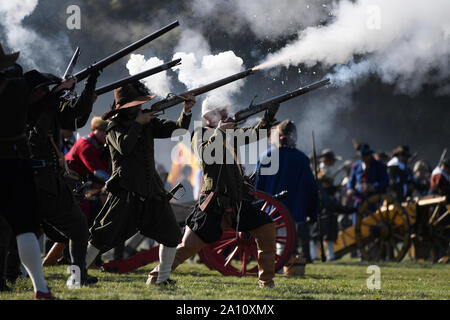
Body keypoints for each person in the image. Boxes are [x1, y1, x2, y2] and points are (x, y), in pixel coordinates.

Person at [146, 98, 280, 288]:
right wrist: (220, 133)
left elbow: (254, 134)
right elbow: (206, 156)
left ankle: (266, 283)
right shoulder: (199, 133)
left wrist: (268, 117)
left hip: (237, 200)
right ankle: (155, 278)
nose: (226, 114)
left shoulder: (230, 133)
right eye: (221, 111)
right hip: (213, 201)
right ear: (209, 116)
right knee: (187, 247)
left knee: (266, 228)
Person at [85, 82, 195, 286]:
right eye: (135, 104)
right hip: (125, 191)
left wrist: (186, 110)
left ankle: (160, 280)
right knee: (101, 235)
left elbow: (178, 131)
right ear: (124, 107)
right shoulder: (114, 127)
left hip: (151, 191)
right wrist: (138, 123)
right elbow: (125, 147)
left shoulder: (146, 121)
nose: (139, 106)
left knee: (171, 235)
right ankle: (77, 275)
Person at [24, 68, 100, 287]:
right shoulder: (24, 112)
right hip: (32, 182)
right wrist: (55, 96)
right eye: (41, 90)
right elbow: (37, 136)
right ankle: (8, 275)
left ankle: (78, 277)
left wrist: (90, 84)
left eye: (47, 89)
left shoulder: (48, 108)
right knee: (17, 235)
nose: (45, 93)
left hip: (50, 181)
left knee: (77, 227)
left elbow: (78, 116)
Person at [0, 44, 56, 299]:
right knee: (24, 229)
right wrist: (57, 93)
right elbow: (38, 101)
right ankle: (40, 289)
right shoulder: (16, 87)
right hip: (13, 159)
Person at [253, 120, 319, 263]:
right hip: (292, 208)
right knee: (285, 238)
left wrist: (255, 206)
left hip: (267, 208)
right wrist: (312, 212)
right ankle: (279, 262)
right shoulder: (301, 158)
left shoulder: (266, 156)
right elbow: (310, 188)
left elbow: (257, 185)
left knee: (269, 238)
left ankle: (276, 262)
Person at [346, 143, 389, 223]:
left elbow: (385, 182)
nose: (364, 157)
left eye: (366, 155)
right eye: (362, 155)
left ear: (370, 154)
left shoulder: (379, 166)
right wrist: (349, 189)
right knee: (357, 224)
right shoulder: (356, 166)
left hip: (374, 202)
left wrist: (374, 187)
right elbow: (350, 182)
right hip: (359, 201)